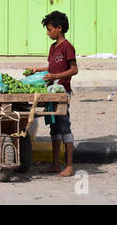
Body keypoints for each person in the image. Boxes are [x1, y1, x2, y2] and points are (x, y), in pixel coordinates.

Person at [27, 11, 78, 177]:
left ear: (59, 28)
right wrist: (37, 70)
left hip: (62, 93)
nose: (48, 33)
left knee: (64, 126)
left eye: (49, 29)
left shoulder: (67, 47)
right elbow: (51, 68)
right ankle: (55, 164)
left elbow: (73, 70)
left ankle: (69, 166)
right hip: (51, 93)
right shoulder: (53, 47)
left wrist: (56, 77)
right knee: (54, 128)